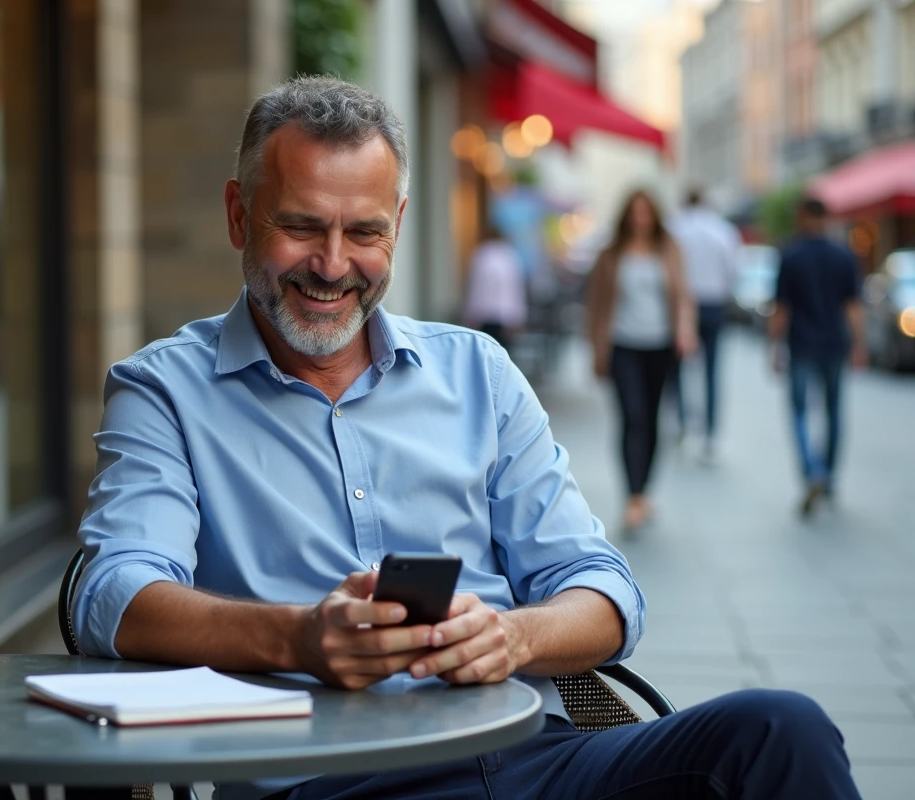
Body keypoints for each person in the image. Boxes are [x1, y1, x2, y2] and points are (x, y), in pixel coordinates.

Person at [73, 77, 859, 800]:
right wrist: (299, 638)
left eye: (366, 232)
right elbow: (115, 596)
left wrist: (512, 637)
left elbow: (604, 592)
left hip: (535, 758)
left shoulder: (478, 371)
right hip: (322, 780)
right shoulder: (164, 391)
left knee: (781, 732)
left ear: (400, 226)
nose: (334, 264)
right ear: (240, 214)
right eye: (302, 226)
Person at [586, 190, 697, 532]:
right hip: (622, 346)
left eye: (646, 212)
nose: (640, 219)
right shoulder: (610, 254)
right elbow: (596, 304)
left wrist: (685, 332)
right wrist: (596, 349)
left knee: (651, 420)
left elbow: (683, 296)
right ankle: (633, 495)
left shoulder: (669, 249)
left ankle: (644, 490)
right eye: (635, 212)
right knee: (632, 417)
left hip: (661, 346)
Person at [769, 196, 867, 517]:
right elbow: (853, 307)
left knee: (799, 411)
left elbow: (781, 308)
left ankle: (813, 469)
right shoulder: (844, 255)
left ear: (802, 216)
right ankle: (828, 475)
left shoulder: (791, 255)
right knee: (833, 410)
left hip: (801, 345)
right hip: (834, 344)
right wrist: (859, 344)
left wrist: (773, 346)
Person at [668, 187, 741, 460]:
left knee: (677, 369)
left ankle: (683, 422)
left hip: (683, 305)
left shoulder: (675, 228)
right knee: (712, 371)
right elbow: (733, 271)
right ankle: (710, 433)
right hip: (713, 305)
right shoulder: (723, 231)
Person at [461, 224, 526, 352]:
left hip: (485, 314)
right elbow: (514, 289)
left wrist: (471, 314)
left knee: (485, 351)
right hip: (505, 314)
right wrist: (517, 316)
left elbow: (477, 289)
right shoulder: (509, 255)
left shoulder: (481, 255)